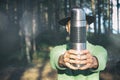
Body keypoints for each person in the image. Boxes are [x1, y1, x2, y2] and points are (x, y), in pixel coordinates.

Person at [50, 8, 107, 80]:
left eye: (81, 23)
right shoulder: (57, 49)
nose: (77, 27)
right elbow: (56, 59)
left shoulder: (99, 49)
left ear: (86, 27)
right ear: (67, 28)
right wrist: (62, 60)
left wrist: (92, 61)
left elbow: (101, 60)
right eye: (73, 23)